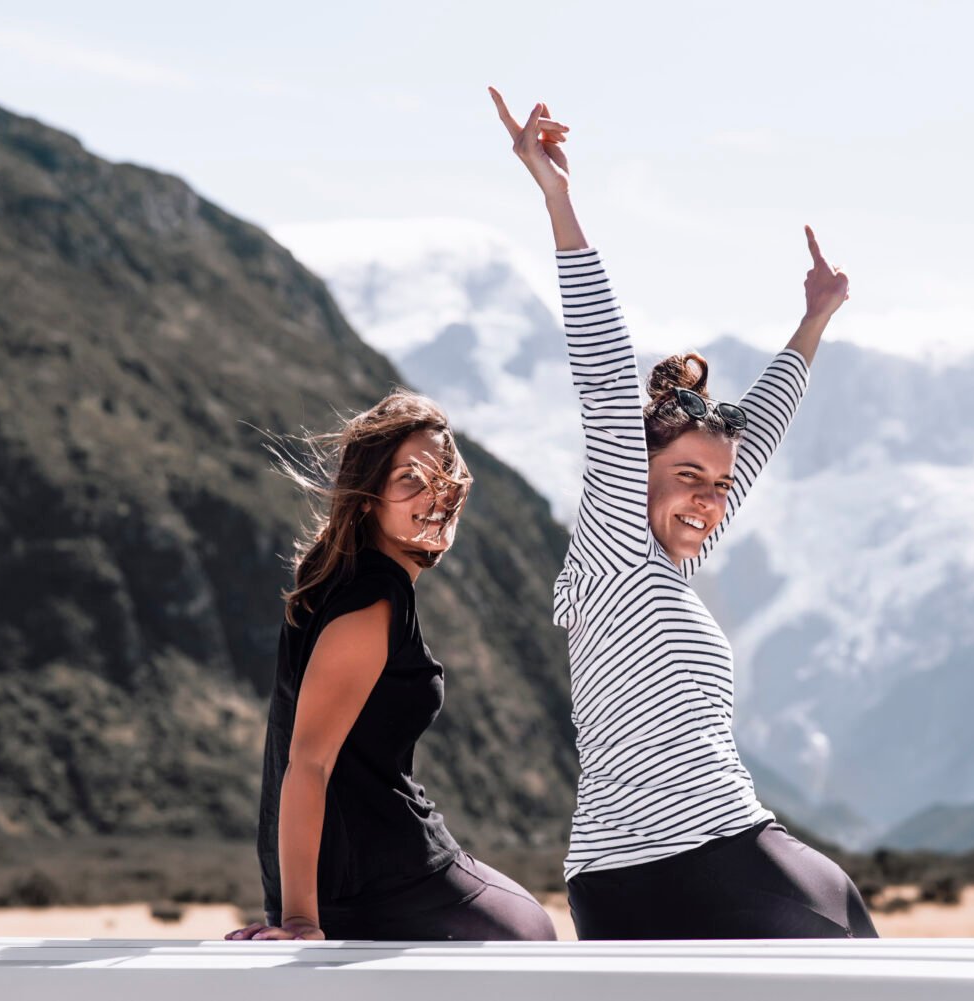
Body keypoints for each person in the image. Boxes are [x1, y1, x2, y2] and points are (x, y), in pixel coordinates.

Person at [490, 87, 877, 939]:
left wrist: (812, 322)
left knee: (842, 907)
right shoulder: (617, 546)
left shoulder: (668, 561)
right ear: (639, 473)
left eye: (719, 485)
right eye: (689, 476)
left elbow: (758, 433)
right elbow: (599, 371)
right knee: (845, 928)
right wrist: (559, 200)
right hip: (668, 859)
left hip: (685, 857)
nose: (709, 498)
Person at [227, 391, 556, 941]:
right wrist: (302, 921)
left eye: (445, 474)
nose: (436, 493)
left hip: (358, 872)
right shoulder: (376, 596)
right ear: (366, 500)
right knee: (530, 938)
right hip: (376, 876)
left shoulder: (353, 582)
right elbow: (307, 762)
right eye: (409, 479)